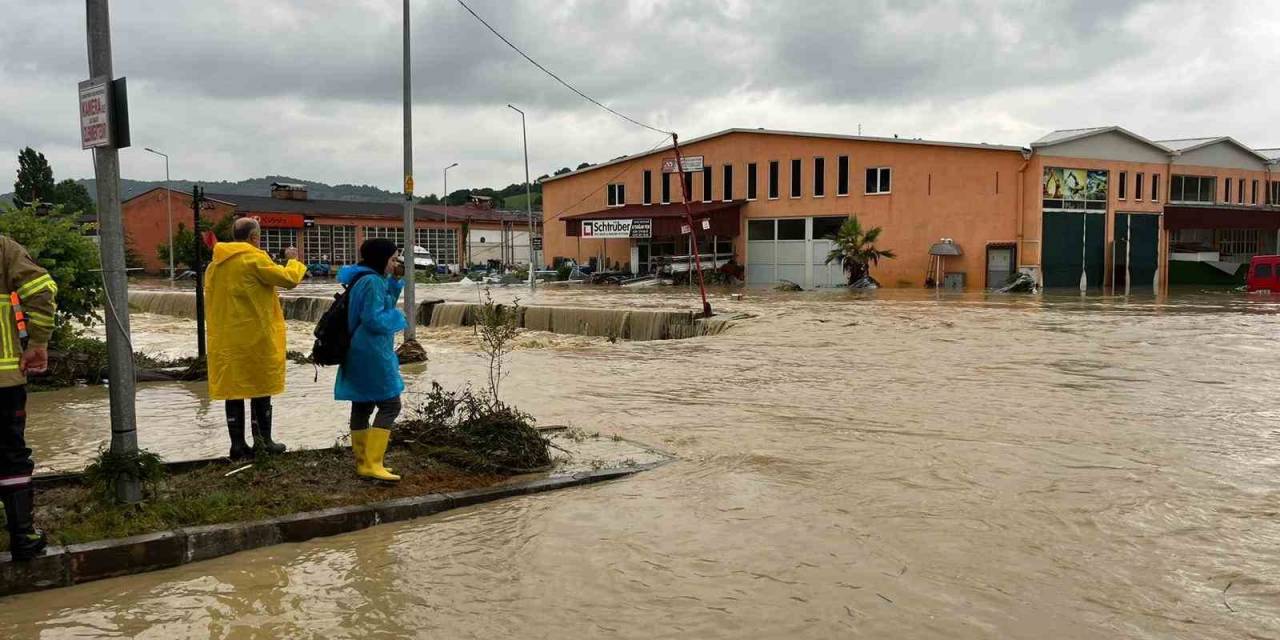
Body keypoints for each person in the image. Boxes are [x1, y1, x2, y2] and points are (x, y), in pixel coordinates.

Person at [205, 218, 307, 460]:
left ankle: (237, 446)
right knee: (261, 388)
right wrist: (293, 260)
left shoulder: (215, 264)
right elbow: (288, 280)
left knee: (233, 391)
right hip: (254, 336)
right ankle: (263, 442)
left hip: (225, 338)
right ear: (254, 237)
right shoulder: (254, 259)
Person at [0, 235, 56, 560]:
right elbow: (41, 290)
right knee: (11, 456)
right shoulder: (4, 249)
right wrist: (38, 343)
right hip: (4, 381)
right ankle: (22, 535)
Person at [335, 238, 406, 482]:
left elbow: (381, 305)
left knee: (362, 404)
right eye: (393, 259)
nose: (395, 263)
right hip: (372, 351)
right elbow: (374, 319)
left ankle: (363, 462)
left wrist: (394, 282)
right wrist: (399, 319)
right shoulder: (373, 281)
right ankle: (374, 462)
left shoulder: (362, 278)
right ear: (382, 258)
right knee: (391, 405)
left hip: (356, 349)